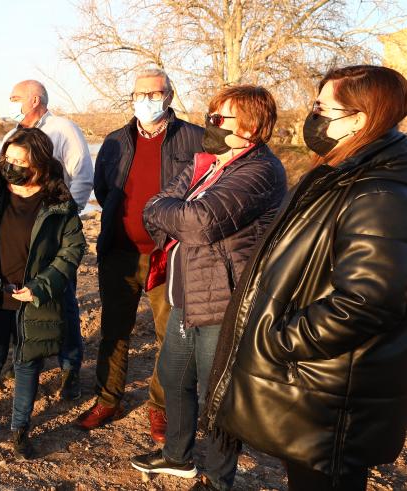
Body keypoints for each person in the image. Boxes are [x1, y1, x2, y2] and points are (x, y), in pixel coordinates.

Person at [204, 65, 407, 490]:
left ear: (359, 119)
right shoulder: (341, 173)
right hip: (318, 390)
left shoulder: (379, 191)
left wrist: (279, 339)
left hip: (332, 399)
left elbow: (367, 300)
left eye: (321, 107)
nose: (310, 116)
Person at [130, 85, 287, 490]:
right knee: (173, 374)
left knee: (217, 397)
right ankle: (177, 456)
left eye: (220, 119)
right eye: (210, 116)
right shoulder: (207, 162)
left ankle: (219, 479)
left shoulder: (260, 171)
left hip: (225, 300)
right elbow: (157, 204)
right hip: (187, 292)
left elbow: (198, 223)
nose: (209, 125)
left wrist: (170, 212)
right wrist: (170, 211)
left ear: (250, 127)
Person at [78, 68, 202, 444]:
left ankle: (160, 408)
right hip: (120, 252)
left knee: (170, 336)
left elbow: (205, 190)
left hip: (169, 255)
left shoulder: (194, 138)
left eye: (155, 92)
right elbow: (103, 190)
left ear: (169, 95)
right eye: (139, 93)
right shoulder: (117, 141)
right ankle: (108, 398)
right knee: (114, 331)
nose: (146, 99)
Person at [0, 127, 87, 459]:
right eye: (7, 157)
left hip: (34, 299)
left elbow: (72, 250)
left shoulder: (58, 201)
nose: (9, 165)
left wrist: (42, 286)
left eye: (19, 161)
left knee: (28, 364)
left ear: (40, 165)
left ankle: (20, 431)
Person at [5, 80, 93, 399]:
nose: (11, 102)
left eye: (16, 98)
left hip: (53, 231)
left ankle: (70, 366)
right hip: (19, 232)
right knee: (22, 298)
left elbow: (82, 176)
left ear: (35, 99)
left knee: (62, 299)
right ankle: (29, 359)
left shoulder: (63, 129)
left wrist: (67, 216)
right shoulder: (13, 136)